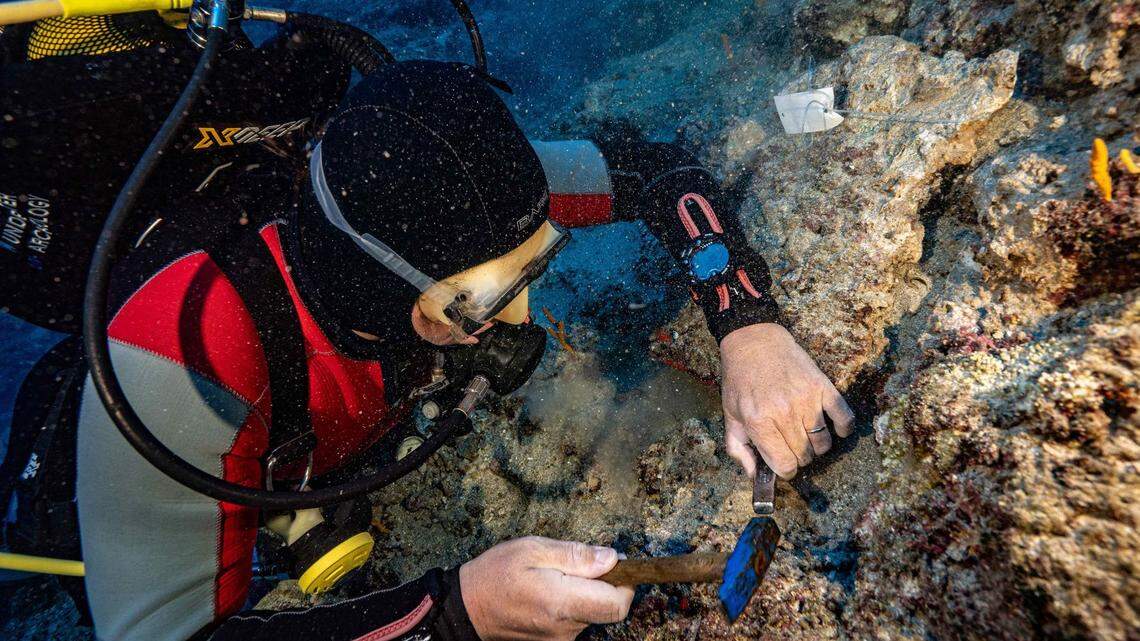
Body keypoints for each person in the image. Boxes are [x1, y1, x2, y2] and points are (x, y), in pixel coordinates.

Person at [7, 28, 855, 641]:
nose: (521, 323)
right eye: (482, 304)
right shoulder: (177, 360)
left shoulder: (474, 205)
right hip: (180, 453)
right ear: (385, 284)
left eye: (536, 268)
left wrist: (748, 327)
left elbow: (659, 168)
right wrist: (457, 610)